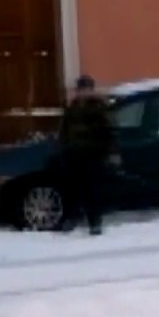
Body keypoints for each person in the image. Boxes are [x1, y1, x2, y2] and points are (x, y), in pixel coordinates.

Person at [58, 75, 114, 235]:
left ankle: (94, 222)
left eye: (86, 89)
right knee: (74, 189)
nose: (82, 92)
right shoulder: (72, 108)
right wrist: (64, 148)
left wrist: (105, 152)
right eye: (80, 89)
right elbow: (64, 130)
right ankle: (73, 217)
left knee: (93, 191)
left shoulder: (98, 107)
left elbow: (107, 131)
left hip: (92, 155)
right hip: (74, 155)